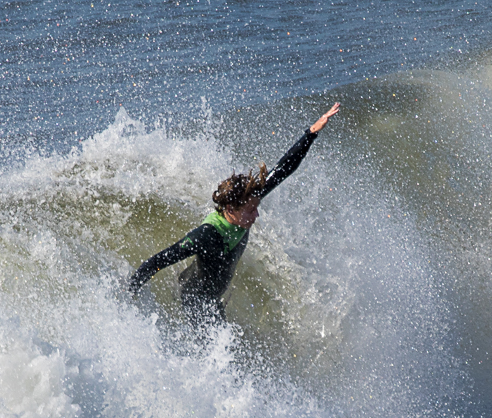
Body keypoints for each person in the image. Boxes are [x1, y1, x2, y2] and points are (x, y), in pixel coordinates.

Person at [128, 103, 340, 328]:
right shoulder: (206, 235)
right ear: (230, 209)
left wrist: (311, 133)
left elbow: (284, 168)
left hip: (214, 297)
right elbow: (157, 261)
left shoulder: (248, 200)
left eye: (256, 207)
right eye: (250, 210)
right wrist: (128, 295)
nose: (256, 214)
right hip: (194, 300)